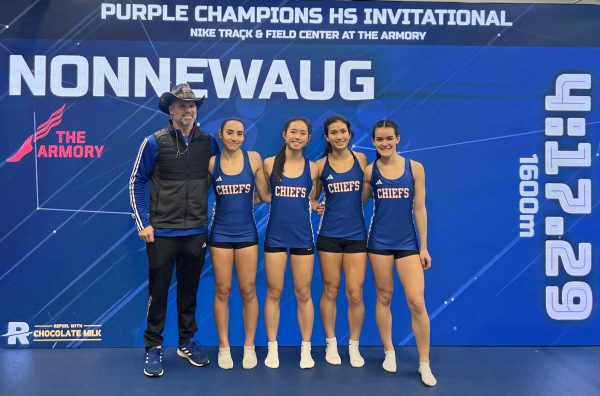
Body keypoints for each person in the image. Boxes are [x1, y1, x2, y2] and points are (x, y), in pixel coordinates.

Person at [129, 83, 219, 377]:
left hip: (195, 231)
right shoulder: (154, 142)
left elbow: (222, 180)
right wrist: (144, 223)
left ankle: (186, 342)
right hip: (162, 232)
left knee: (190, 291)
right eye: (181, 105)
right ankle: (153, 347)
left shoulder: (208, 142)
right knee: (158, 291)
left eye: (191, 105)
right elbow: (135, 182)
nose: (187, 110)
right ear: (171, 110)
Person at [362, 120, 437, 386]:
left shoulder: (415, 168)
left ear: (398, 139)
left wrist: (424, 246)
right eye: (380, 139)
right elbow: (356, 203)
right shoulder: (370, 171)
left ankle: (424, 363)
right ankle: (389, 351)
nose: (385, 143)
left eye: (389, 138)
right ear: (373, 142)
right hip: (378, 243)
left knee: (417, 302)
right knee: (384, 296)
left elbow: (420, 208)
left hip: (407, 244)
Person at [208, 118, 270, 370]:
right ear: (221, 134)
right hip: (220, 235)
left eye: (240, 134)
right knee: (222, 290)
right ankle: (224, 347)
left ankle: (248, 346)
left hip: (247, 234)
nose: (235, 138)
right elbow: (196, 194)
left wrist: (245, 200)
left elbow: (265, 196)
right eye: (230, 133)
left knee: (248, 290)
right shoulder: (212, 163)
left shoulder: (254, 158)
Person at [310, 115, 368, 367]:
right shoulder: (320, 165)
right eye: (333, 133)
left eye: (343, 131)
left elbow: (364, 196)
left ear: (350, 134)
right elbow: (311, 198)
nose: (339, 136)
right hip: (329, 236)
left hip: (356, 236)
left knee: (355, 293)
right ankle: (331, 342)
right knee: (331, 290)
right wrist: (314, 205)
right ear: (326, 137)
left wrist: (351, 213)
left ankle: (354, 346)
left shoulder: (362, 160)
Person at [262, 117, 319, 369]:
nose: (297, 136)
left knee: (303, 293)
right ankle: (272, 348)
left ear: (308, 138)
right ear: (284, 134)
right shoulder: (268, 164)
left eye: (302, 133)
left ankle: (306, 349)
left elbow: (313, 199)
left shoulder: (314, 168)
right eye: (293, 132)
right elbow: (264, 196)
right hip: (275, 236)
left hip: (303, 237)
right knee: (274, 293)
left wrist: (316, 206)